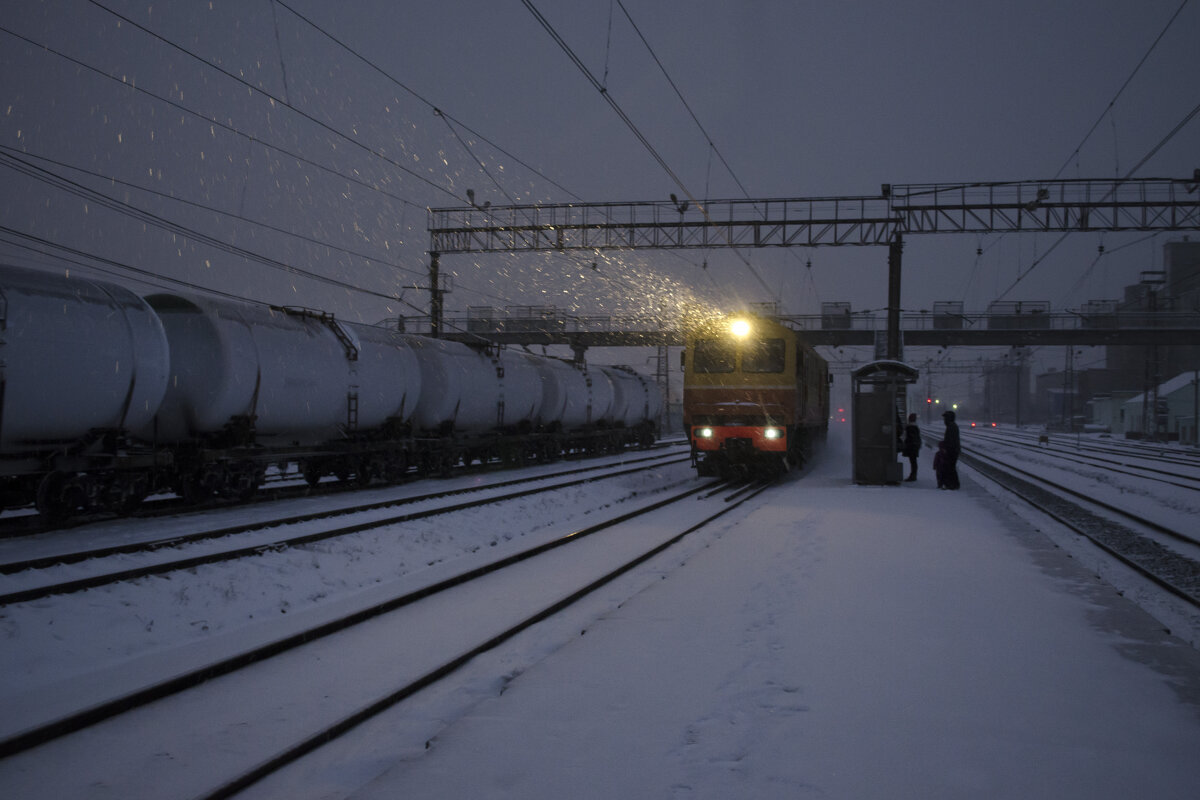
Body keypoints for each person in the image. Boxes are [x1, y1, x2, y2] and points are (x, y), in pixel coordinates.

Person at [941, 409, 961, 490]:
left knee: (950, 468)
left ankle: (952, 484)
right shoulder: (952, 426)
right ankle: (954, 484)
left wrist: (946, 449)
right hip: (953, 450)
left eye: (945, 418)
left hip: (952, 451)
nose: (944, 420)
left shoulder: (951, 427)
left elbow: (950, 440)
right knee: (951, 467)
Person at [901, 412, 921, 481]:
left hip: (911, 447)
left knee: (913, 462)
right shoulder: (915, 427)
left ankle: (913, 476)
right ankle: (913, 475)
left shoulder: (910, 427)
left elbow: (906, 437)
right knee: (913, 462)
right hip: (914, 447)